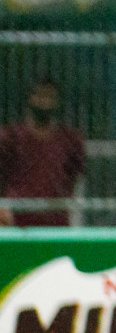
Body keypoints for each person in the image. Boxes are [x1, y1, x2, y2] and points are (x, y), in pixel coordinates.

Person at [0, 78, 87, 227]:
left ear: (57, 101)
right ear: (30, 98)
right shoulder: (11, 137)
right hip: (16, 223)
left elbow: (76, 178)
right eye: (40, 95)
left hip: (55, 223)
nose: (44, 102)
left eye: (49, 97)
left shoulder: (69, 140)